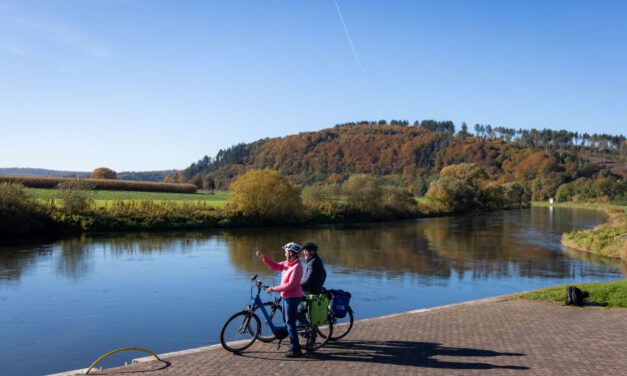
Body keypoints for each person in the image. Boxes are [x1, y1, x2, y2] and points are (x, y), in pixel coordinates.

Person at [255, 242, 304, 358]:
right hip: (286, 296)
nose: (285, 253)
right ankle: (297, 332)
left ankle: (295, 349)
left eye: (286, 252)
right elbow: (275, 266)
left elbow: (290, 286)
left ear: (292, 253)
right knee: (287, 319)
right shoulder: (288, 264)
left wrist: (273, 289)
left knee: (290, 322)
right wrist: (263, 258)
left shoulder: (297, 267)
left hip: (293, 297)